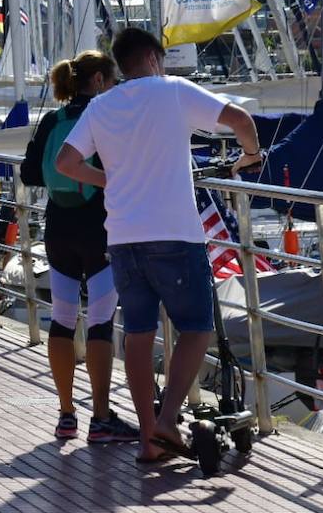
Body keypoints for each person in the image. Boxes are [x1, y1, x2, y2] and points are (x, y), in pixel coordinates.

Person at [55, 27, 262, 463]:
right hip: (174, 233)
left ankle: (151, 438)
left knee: (138, 336)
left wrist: (106, 178)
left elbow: (66, 163)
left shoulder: (101, 105)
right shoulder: (172, 91)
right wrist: (250, 155)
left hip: (123, 237)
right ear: (153, 58)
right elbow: (241, 121)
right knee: (196, 327)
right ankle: (168, 417)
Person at [21, 51, 140, 443]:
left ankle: (66, 413)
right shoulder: (105, 116)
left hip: (59, 225)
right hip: (101, 225)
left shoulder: (54, 119)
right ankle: (102, 416)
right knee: (101, 320)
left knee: (63, 316)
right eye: (114, 79)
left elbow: (29, 171)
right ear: (101, 81)